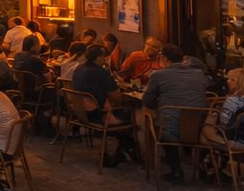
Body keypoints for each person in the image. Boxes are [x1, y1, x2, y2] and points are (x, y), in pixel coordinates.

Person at [142, 43, 210, 183]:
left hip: (170, 127)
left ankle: (176, 170)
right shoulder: (199, 74)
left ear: (164, 58)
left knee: (154, 121)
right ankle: (202, 165)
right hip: (197, 125)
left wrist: (160, 103)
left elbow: (148, 101)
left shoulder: (158, 75)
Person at [70, 45, 137, 167]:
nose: (106, 59)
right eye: (104, 56)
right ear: (98, 57)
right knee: (132, 116)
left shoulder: (79, 68)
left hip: (79, 112)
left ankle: (121, 150)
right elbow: (115, 95)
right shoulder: (100, 72)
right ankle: (120, 152)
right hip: (97, 115)